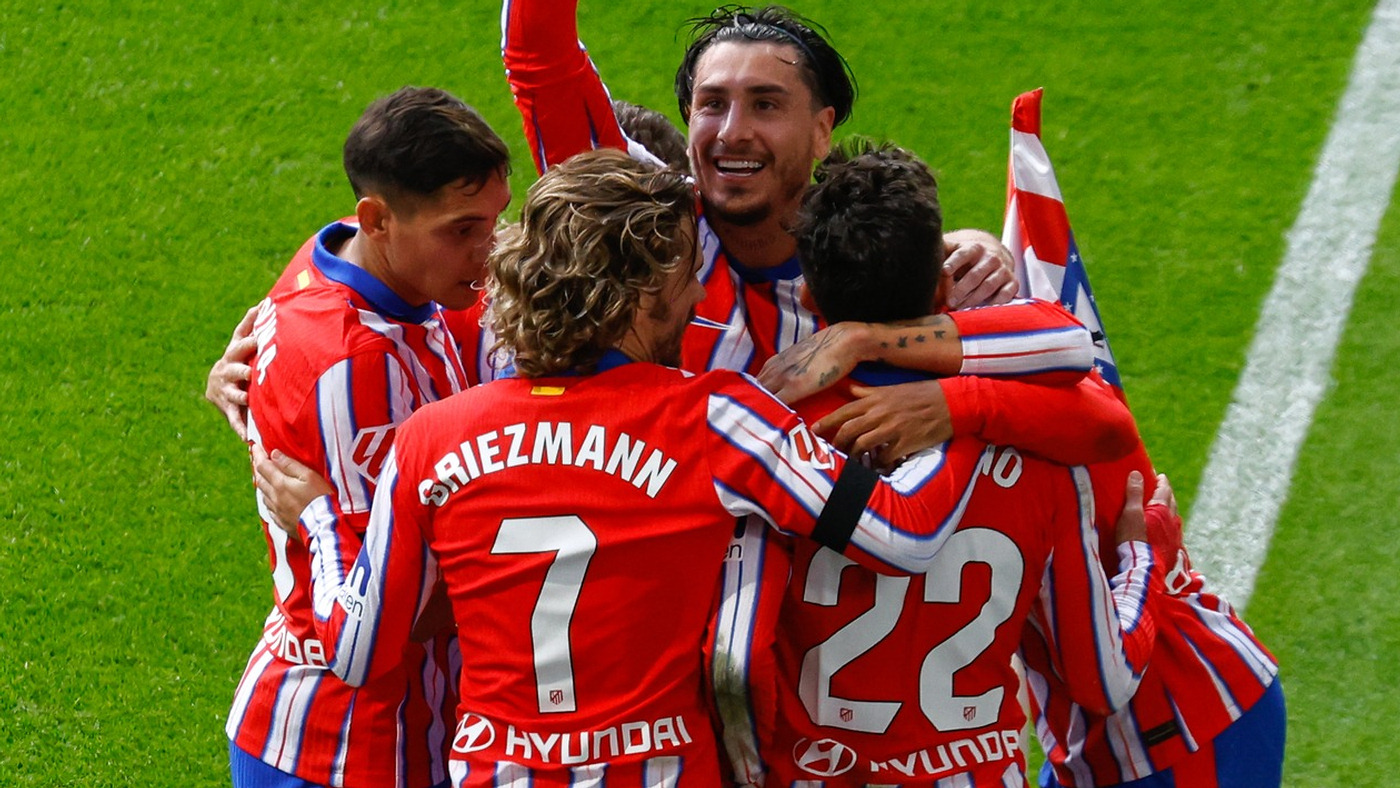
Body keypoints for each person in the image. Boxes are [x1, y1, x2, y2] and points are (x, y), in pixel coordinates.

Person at [246, 150, 1118, 788]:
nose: (699, 296)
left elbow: (360, 654)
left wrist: (319, 519)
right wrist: (960, 409)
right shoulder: (713, 418)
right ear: (642, 293)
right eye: (684, 275)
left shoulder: (431, 439)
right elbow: (906, 534)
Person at [776, 141, 1286, 788]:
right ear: (943, 285)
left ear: (809, 298)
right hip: (1070, 735)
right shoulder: (1038, 410)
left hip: (1177, 719)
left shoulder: (769, 439)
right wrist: (1145, 555)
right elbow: (1095, 394)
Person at [225, 86, 512, 788]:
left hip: (402, 733)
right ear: (377, 219)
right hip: (346, 747)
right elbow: (378, 619)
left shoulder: (338, 254)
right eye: (462, 229)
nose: (491, 252)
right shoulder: (358, 368)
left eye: (496, 218)